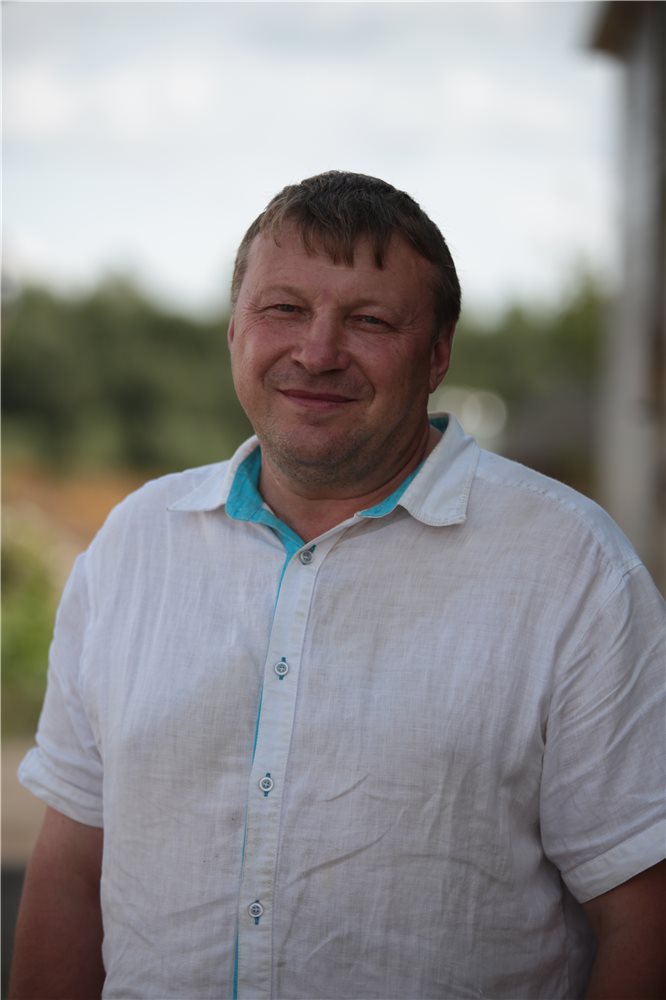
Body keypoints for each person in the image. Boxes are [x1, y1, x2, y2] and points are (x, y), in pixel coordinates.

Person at [9, 171, 665, 1000]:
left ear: (438, 354)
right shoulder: (133, 546)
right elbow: (72, 868)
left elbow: (644, 911)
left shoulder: (573, 569)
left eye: (370, 321)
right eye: (284, 308)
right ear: (234, 330)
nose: (317, 352)